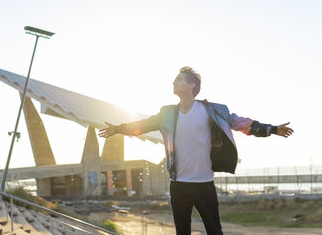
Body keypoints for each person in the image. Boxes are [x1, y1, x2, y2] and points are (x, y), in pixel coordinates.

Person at [99, 66, 294, 235]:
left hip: (204, 185)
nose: (173, 82)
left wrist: (273, 129)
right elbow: (143, 124)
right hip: (178, 186)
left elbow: (241, 123)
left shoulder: (213, 110)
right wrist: (118, 129)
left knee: (215, 232)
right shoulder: (167, 114)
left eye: (178, 79)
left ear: (192, 85)